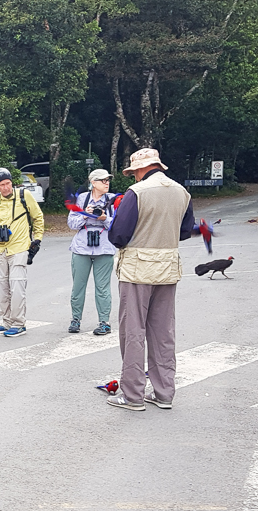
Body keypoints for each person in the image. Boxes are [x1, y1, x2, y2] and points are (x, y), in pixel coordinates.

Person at [106, 148, 195, 412]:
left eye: (134, 172)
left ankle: (132, 394)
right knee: (163, 332)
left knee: (134, 332)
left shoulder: (138, 193)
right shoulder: (181, 192)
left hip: (137, 270)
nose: (133, 177)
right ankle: (164, 392)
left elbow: (118, 235)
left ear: (140, 169)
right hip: (167, 268)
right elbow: (185, 231)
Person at [0, 168, 44, 337]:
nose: (6, 188)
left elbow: (38, 217)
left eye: (8, 183)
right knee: (1, 288)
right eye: (2, 185)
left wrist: (37, 239)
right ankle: (6, 321)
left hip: (19, 247)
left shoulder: (23, 196)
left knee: (17, 287)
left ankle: (19, 323)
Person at [68, 168, 119, 336]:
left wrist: (104, 218)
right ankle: (75, 319)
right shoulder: (82, 199)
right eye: (103, 180)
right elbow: (71, 223)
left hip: (104, 247)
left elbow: (118, 224)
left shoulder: (112, 200)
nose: (106, 183)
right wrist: (84, 214)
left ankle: (104, 322)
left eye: (108, 180)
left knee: (103, 287)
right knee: (78, 286)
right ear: (93, 183)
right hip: (82, 246)